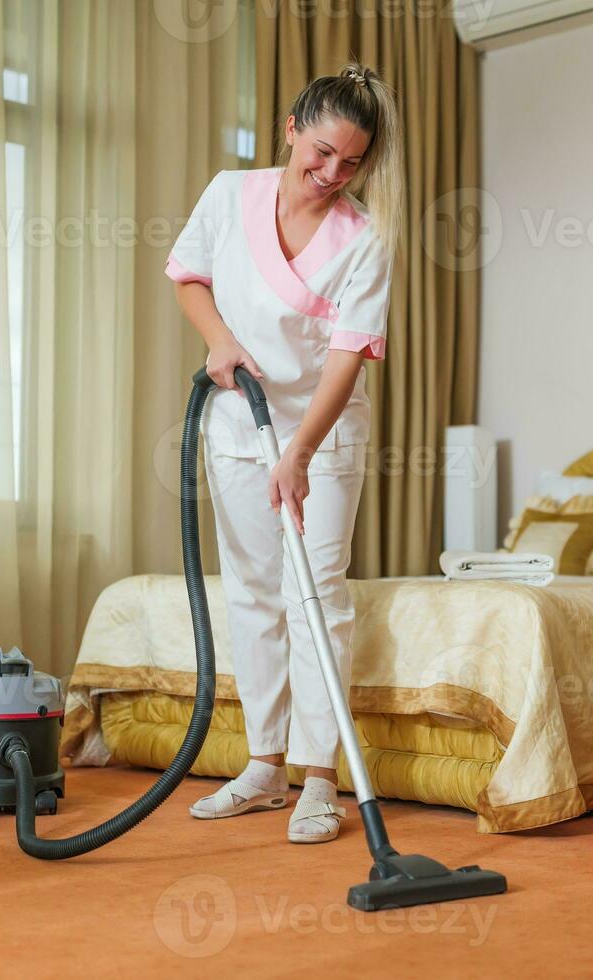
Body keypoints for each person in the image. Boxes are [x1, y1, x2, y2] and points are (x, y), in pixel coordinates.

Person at [166, 62, 403, 844]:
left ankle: (319, 777)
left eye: (352, 162)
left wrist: (300, 451)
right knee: (251, 591)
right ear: (291, 129)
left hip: (322, 436)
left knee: (316, 595)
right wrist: (221, 342)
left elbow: (345, 357)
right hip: (236, 424)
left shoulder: (363, 239)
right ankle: (263, 766)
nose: (333, 173)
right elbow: (190, 276)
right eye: (322, 153)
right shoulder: (230, 192)